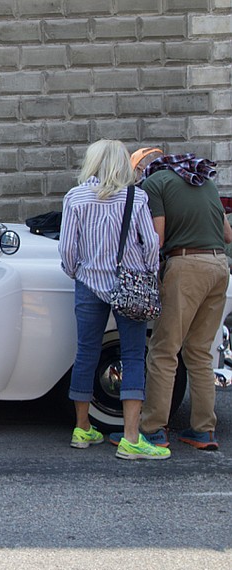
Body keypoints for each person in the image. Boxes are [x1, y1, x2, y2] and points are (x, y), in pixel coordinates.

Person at [59, 139, 168, 459]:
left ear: (91, 163)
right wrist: (147, 273)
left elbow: (67, 250)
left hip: (88, 283)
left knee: (86, 353)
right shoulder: (137, 198)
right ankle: (131, 439)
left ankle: (82, 429)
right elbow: (151, 246)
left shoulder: (75, 197)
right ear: (123, 164)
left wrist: (77, 271)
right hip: (130, 285)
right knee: (133, 356)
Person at [132, 148, 232, 450]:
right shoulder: (205, 181)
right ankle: (203, 431)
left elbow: (157, 238)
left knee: (164, 350)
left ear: (144, 169)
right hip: (219, 266)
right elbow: (227, 235)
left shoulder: (155, 183)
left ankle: (152, 430)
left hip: (186, 266)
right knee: (200, 353)